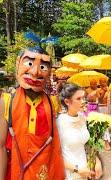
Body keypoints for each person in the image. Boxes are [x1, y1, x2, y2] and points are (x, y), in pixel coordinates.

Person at [0, 47, 65, 179]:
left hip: (43, 172)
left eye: (43, 67)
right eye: (29, 63)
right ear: (18, 63)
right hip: (15, 172)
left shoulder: (52, 103)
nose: (35, 72)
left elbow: (55, 147)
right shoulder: (7, 101)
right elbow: (0, 147)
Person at [57, 83, 103, 179]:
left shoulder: (82, 118)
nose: (83, 101)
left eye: (83, 98)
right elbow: (55, 155)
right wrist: (77, 170)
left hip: (86, 170)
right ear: (67, 102)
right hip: (70, 174)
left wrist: (97, 161)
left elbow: (86, 144)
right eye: (79, 99)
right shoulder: (59, 122)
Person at [97, 78, 111, 151]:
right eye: (103, 82)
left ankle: (106, 140)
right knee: (104, 126)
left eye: (105, 82)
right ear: (100, 83)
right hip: (101, 109)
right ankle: (106, 143)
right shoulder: (99, 90)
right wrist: (103, 91)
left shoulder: (108, 90)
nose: (105, 83)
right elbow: (100, 99)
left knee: (105, 126)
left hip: (106, 109)